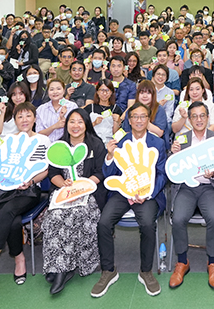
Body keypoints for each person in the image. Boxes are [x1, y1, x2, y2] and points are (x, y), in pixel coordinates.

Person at [0, 102, 48, 290]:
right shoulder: (4, 141)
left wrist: (30, 181)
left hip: (28, 192)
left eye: (28, 116)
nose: (24, 120)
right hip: (5, 192)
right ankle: (19, 259)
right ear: (15, 120)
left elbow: (44, 170)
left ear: (35, 119)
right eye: (20, 117)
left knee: (10, 212)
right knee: (12, 219)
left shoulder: (42, 141)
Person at [93, 103, 168, 298]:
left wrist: (148, 192)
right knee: (103, 222)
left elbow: (162, 174)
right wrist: (109, 156)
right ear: (129, 120)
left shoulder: (157, 143)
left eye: (143, 116)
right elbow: (109, 174)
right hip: (122, 192)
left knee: (146, 223)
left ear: (148, 119)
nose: (139, 120)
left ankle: (146, 271)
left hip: (147, 194)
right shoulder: (120, 140)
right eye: (135, 116)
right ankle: (108, 271)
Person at [42, 108, 106, 295]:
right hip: (63, 191)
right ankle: (59, 265)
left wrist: (81, 187)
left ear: (86, 124)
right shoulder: (59, 145)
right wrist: (65, 186)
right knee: (55, 216)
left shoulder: (95, 144)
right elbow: (53, 174)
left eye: (80, 122)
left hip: (89, 193)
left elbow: (100, 173)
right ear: (66, 124)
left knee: (77, 214)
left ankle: (65, 268)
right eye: (72, 121)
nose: (76, 126)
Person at [167, 102, 214, 290]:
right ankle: (182, 261)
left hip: (209, 188)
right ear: (189, 120)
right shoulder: (182, 139)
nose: (199, 120)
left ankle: (213, 262)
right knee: (178, 218)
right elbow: (172, 169)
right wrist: (172, 153)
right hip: (187, 188)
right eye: (195, 116)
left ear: (208, 118)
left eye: (202, 116)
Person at [35, 79, 70, 143]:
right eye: (51, 89)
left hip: (66, 145)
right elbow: (39, 134)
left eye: (58, 89)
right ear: (48, 92)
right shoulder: (41, 109)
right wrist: (55, 126)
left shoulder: (72, 106)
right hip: (45, 145)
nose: (55, 92)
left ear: (64, 90)